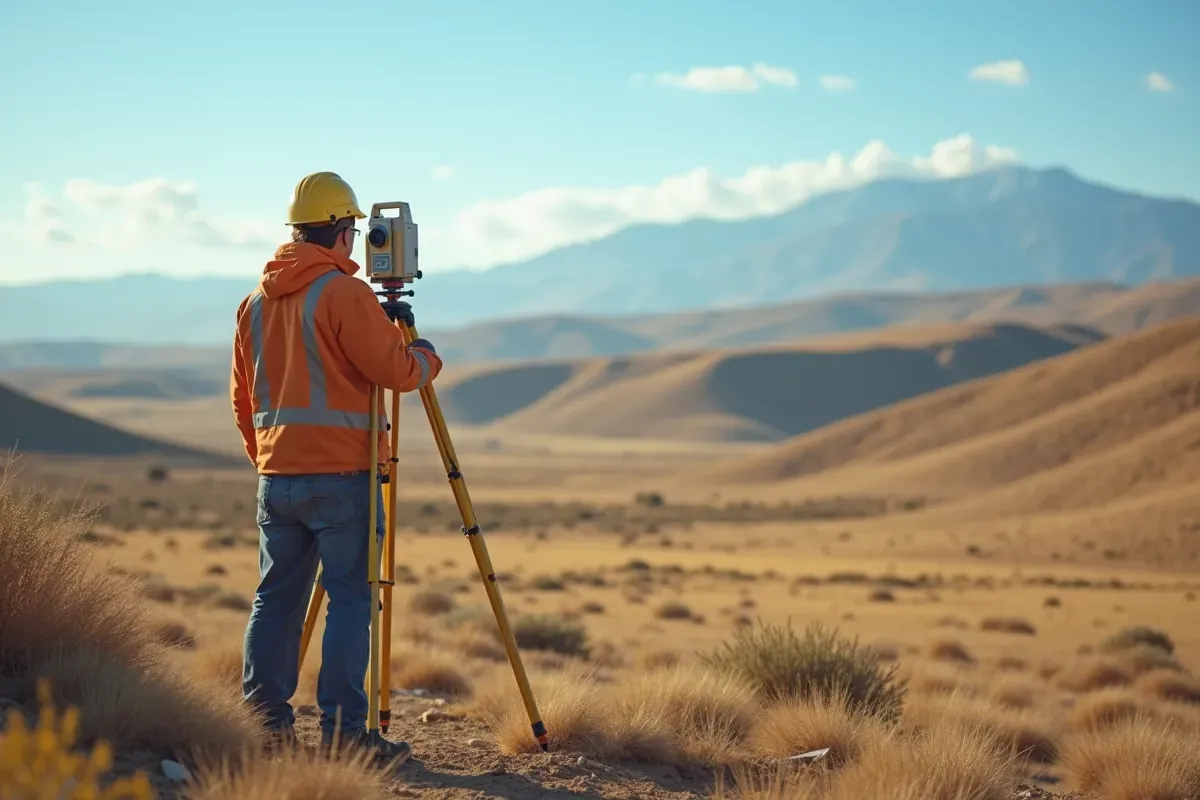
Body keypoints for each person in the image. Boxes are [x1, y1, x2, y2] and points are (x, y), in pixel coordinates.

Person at [230, 171, 441, 763]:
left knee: (274, 599)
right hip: (343, 480)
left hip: (278, 479)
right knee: (351, 599)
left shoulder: (252, 304)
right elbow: (396, 372)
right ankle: (346, 738)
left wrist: (272, 461)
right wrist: (426, 358)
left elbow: (243, 401)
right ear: (345, 233)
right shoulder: (344, 295)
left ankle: (265, 725)